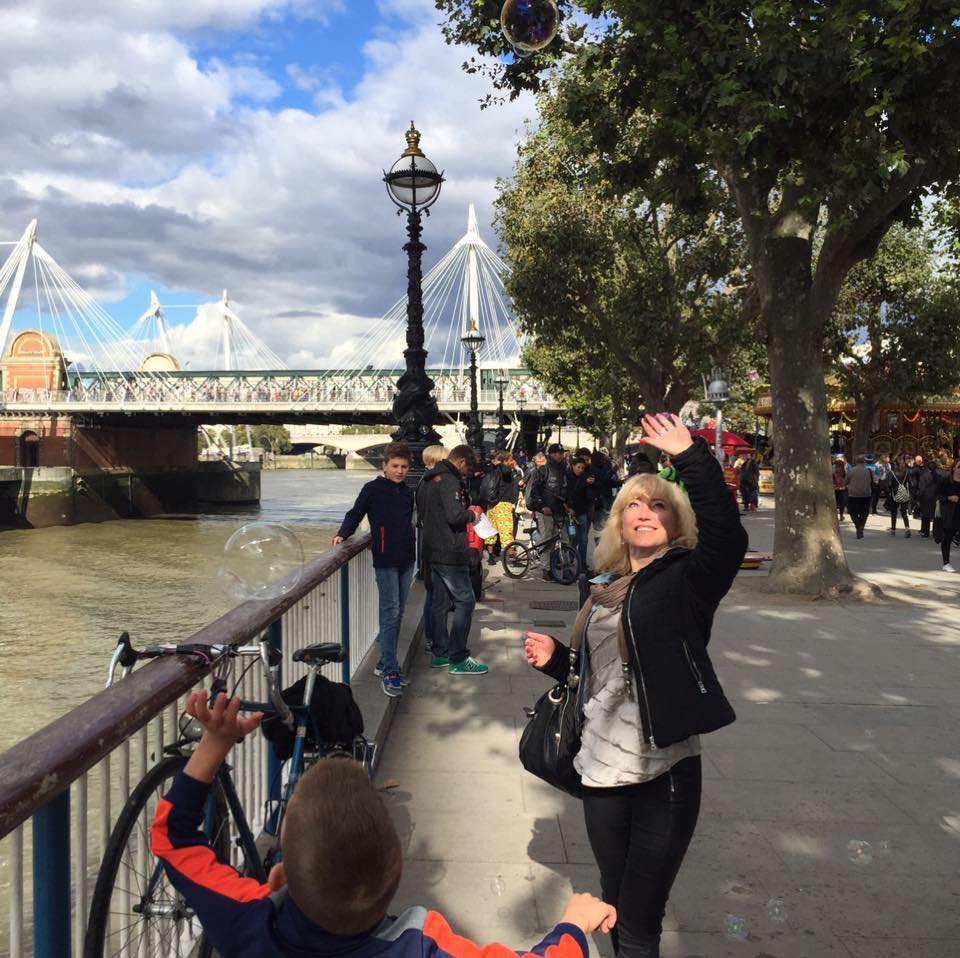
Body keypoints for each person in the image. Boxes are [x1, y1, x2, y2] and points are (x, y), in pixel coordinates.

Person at [152, 691, 616, 958]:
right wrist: (573, 925)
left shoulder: (248, 920)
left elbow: (174, 838)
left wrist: (214, 743)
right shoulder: (417, 947)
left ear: (281, 875)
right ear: (394, 880)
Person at [523, 413, 747, 958]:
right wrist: (558, 660)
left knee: (640, 919)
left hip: (662, 768)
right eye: (634, 506)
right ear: (619, 522)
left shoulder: (688, 578)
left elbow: (729, 538)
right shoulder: (602, 587)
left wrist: (690, 456)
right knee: (615, 899)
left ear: (676, 521)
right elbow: (602, 674)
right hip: (601, 766)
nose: (645, 513)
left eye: (658, 506)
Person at [334, 442, 415, 698]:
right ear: (385, 466)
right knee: (390, 613)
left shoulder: (407, 493)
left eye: (404, 467)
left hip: (407, 558)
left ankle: (383, 662)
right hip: (385, 558)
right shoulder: (372, 489)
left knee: (398, 612)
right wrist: (343, 533)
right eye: (395, 466)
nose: (400, 471)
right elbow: (355, 513)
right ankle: (390, 671)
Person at [417, 445, 488, 674]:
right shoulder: (449, 480)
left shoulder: (427, 479)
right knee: (465, 601)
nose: (467, 473)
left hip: (432, 549)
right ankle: (458, 657)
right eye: (468, 469)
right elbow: (455, 515)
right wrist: (473, 514)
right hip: (450, 551)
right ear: (461, 462)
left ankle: (440, 653)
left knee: (439, 602)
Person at [417, 444, 448, 656]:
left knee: (434, 594)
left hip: (431, 544)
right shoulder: (431, 483)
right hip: (435, 546)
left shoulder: (425, 481)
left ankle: (433, 637)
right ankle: (432, 638)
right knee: (434, 594)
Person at [526, 443, 571, 581]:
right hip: (546, 511)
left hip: (560, 511)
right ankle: (546, 569)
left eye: (561, 453)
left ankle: (566, 568)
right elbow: (535, 490)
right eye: (558, 453)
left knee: (565, 541)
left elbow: (567, 491)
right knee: (547, 541)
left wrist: (569, 506)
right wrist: (542, 506)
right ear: (552, 454)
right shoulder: (543, 470)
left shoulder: (565, 470)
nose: (560, 455)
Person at [936, 458, 960, 572]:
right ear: (954, 468)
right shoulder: (946, 481)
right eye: (959, 467)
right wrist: (948, 498)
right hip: (950, 515)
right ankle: (946, 563)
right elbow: (937, 496)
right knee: (947, 538)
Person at [845, 455, 874, 539]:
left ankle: (858, 526)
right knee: (864, 513)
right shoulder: (869, 471)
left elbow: (845, 482)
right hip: (866, 494)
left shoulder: (851, 471)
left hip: (853, 495)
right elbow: (873, 481)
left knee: (852, 512)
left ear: (856, 462)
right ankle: (860, 527)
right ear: (864, 462)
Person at [885, 454, 912, 538]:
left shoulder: (892, 472)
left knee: (894, 512)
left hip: (895, 494)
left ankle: (893, 530)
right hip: (904, 493)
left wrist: (890, 492)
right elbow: (911, 484)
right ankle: (907, 529)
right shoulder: (907, 472)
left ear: (895, 464)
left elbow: (889, 484)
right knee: (904, 512)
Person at [916, 459, 939, 538]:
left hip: (926, 497)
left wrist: (918, 498)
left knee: (926, 515)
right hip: (936, 497)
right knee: (935, 516)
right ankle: (935, 532)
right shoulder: (938, 476)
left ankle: (925, 532)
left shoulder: (924, 476)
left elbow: (921, 488)